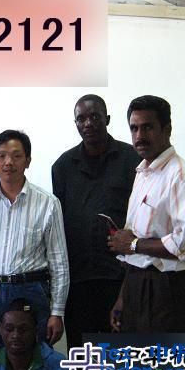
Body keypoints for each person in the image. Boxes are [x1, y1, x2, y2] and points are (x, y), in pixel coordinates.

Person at [0, 130, 69, 350]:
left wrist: (57, 312)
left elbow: (59, 262)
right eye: (2, 156)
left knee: (33, 355)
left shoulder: (48, 203)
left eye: (17, 156)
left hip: (30, 289)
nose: (8, 162)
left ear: (28, 161)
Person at [108, 95, 185, 333]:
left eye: (148, 127)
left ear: (167, 129)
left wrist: (134, 244)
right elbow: (132, 246)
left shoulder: (182, 177)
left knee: (162, 357)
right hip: (136, 282)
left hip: (165, 289)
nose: (139, 136)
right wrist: (123, 298)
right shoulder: (143, 174)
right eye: (134, 128)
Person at [52, 94, 140, 351]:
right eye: (81, 119)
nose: (88, 123)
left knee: (121, 351)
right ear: (76, 124)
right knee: (81, 352)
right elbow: (60, 222)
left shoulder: (132, 161)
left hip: (120, 276)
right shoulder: (63, 166)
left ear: (107, 119)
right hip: (78, 278)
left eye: (94, 117)